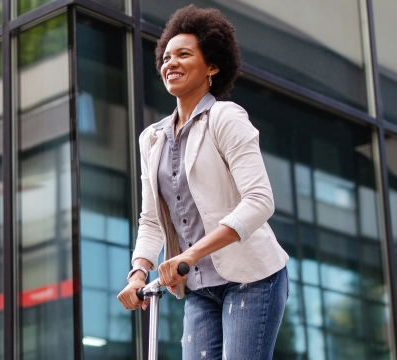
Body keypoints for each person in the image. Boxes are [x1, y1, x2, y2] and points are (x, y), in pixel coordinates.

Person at [116, 5, 289, 360]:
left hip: (252, 278)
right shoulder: (152, 139)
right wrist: (138, 272)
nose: (170, 63)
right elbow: (151, 220)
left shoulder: (225, 117)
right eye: (166, 57)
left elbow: (259, 201)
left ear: (212, 66)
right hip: (198, 288)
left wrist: (191, 254)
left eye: (183, 54)